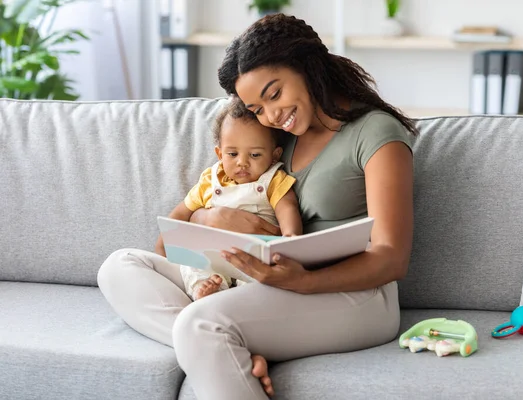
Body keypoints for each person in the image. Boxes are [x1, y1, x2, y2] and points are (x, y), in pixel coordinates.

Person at [97, 13, 416, 400]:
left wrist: (305, 280)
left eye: (274, 93)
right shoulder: (278, 136)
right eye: (258, 108)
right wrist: (208, 217)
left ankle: (216, 344)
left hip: (356, 296)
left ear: (307, 65)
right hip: (268, 279)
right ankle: (230, 352)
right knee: (120, 266)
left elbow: (391, 257)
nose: (272, 114)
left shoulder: (376, 133)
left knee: (200, 324)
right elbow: (221, 190)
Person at [155, 99, 303, 301]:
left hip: (254, 258)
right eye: (232, 154)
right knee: (196, 266)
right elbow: (179, 216)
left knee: (257, 280)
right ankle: (206, 291)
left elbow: (288, 207)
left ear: (274, 155)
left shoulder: (273, 180)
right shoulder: (210, 181)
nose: (242, 162)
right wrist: (163, 247)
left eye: (255, 154)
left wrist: (291, 237)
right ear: (219, 154)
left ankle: (236, 300)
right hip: (214, 256)